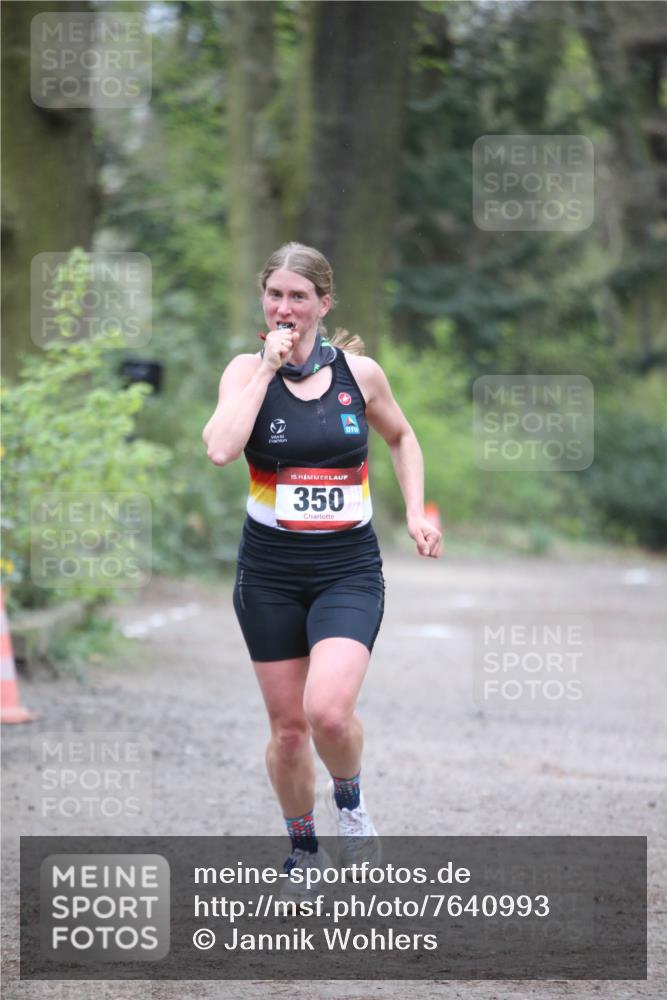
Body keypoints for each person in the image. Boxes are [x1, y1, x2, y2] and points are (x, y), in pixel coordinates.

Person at [202, 242, 442, 900]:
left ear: (323, 304)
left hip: (346, 567)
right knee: (286, 729)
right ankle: (303, 850)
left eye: (299, 297)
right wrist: (262, 372)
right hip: (270, 572)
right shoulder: (240, 374)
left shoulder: (359, 375)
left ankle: (353, 808)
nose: (285, 307)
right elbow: (222, 449)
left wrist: (417, 511)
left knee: (328, 714)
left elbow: (401, 436)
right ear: (264, 301)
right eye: (275, 295)